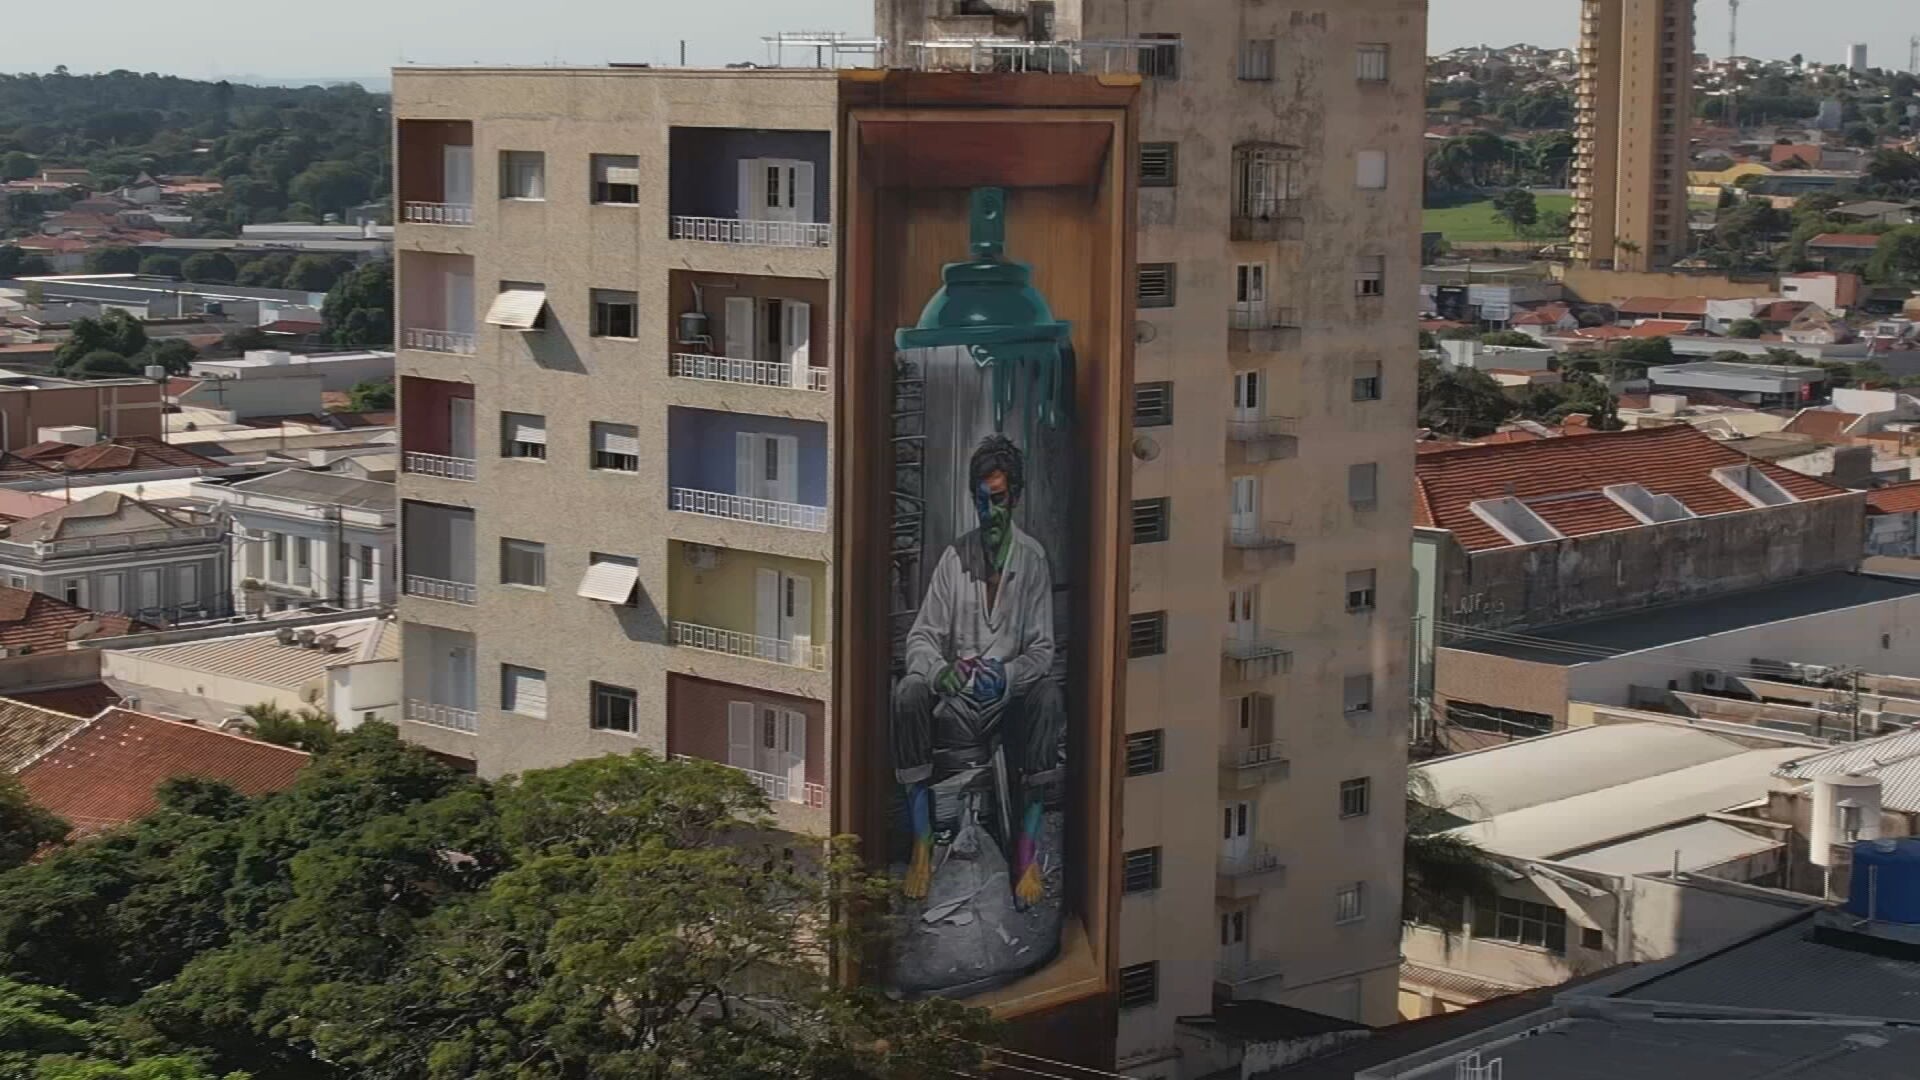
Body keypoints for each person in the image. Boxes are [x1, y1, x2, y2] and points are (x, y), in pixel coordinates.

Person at [893, 433, 1063, 909]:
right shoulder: (954, 558)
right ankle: (922, 843)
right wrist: (942, 671)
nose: (991, 513)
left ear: (1017, 497)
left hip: (1007, 703)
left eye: (1000, 500)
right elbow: (921, 638)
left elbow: (1042, 650)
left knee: (1048, 696)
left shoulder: (1032, 561)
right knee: (908, 691)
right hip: (960, 704)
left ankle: (1026, 855)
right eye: (982, 502)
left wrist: (1007, 676)